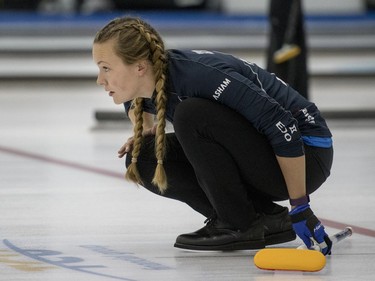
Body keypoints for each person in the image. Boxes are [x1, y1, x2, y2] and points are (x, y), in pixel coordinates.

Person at [92, 16, 333, 254]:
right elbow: (136, 105)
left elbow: (281, 124)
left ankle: (238, 224)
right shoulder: (146, 81)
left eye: (106, 68)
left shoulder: (196, 76)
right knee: (143, 158)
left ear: (140, 66)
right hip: (265, 154)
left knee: (191, 115)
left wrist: (300, 206)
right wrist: (144, 130)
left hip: (306, 154)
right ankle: (259, 219)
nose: (100, 80)